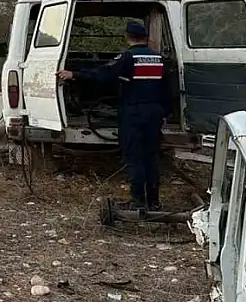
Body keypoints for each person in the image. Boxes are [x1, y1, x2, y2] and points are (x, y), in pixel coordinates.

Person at [57, 21, 169, 210]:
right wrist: (165, 112)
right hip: (155, 113)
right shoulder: (159, 58)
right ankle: (154, 201)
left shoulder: (127, 58)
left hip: (134, 113)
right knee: (151, 156)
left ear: (127, 37)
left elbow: (103, 75)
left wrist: (73, 74)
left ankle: (138, 202)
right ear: (145, 37)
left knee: (134, 156)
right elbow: (167, 89)